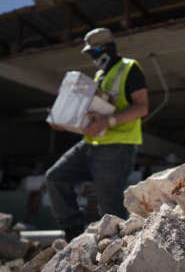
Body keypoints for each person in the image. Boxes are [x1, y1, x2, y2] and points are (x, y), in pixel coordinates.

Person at [45, 28, 148, 241]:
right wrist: (64, 121)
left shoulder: (129, 68)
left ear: (105, 48)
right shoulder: (100, 75)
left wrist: (108, 121)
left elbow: (142, 107)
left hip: (117, 146)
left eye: (93, 52)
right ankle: (73, 234)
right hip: (91, 143)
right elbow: (93, 113)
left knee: (110, 208)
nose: (91, 57)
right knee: (56, 178)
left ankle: (119, 252)